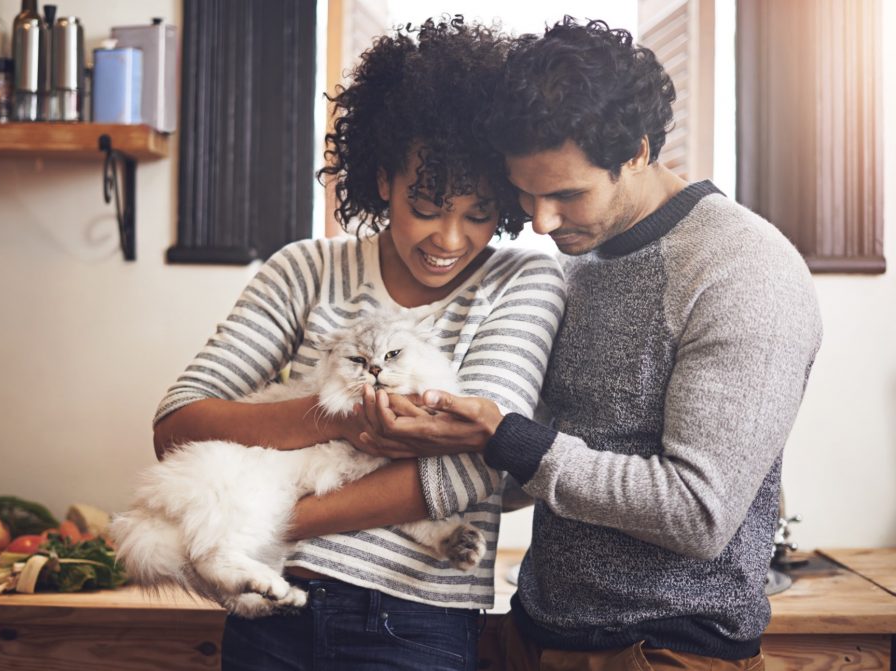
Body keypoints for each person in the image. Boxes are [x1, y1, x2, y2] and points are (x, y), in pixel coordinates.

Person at [354, 17, 824, 671]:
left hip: (667, 653)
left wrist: (506, 438)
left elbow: (699, 513)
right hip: (535, 634)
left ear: (637, 152)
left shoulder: (743, 269)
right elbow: (556, 462)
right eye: (526, 194)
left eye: (566, 194)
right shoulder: (576, 261)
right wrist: (430, 443)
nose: (542, 221)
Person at [151, 17, 566, 670]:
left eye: (479, 214)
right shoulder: (305, 269)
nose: (449, 239)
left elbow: (479, 463)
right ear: (382, 180)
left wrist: (250, 520)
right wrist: (337, 419)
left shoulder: (524, 281)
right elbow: (179, 425)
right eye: (425, 206)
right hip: (271, 610)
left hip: (413, 621)